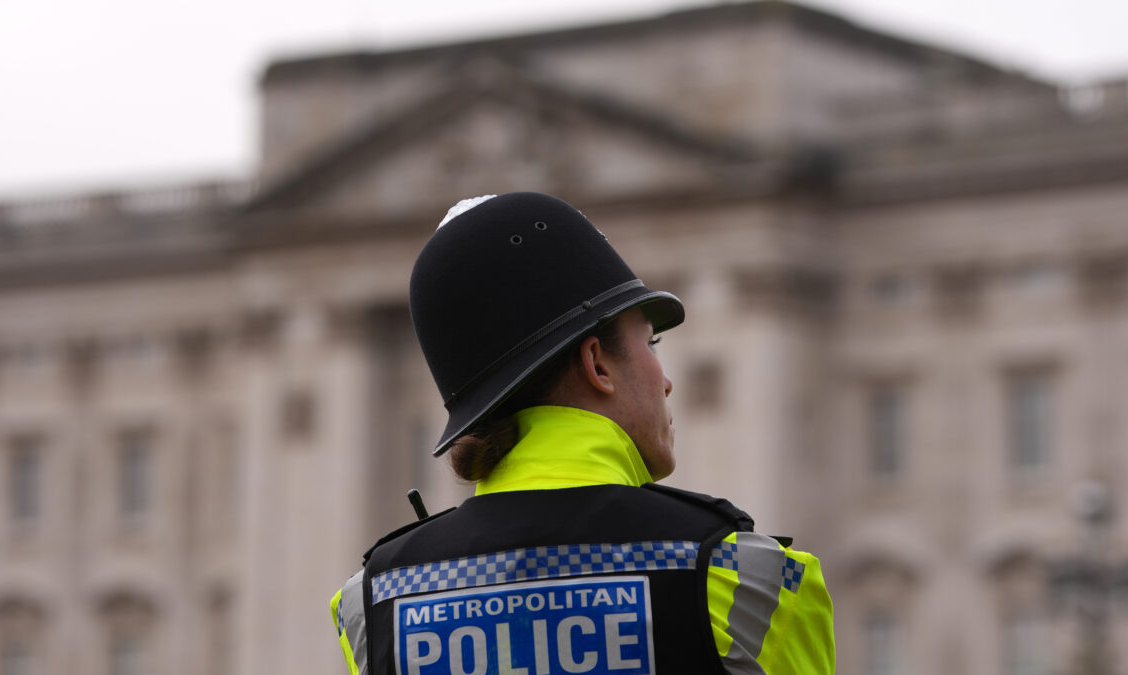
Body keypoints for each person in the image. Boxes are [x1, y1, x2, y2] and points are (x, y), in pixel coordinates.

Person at [330, 192, 835, 675]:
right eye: (651, 343)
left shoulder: (374, 603)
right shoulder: (745, 579)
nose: (666, 380)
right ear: (597, 364)